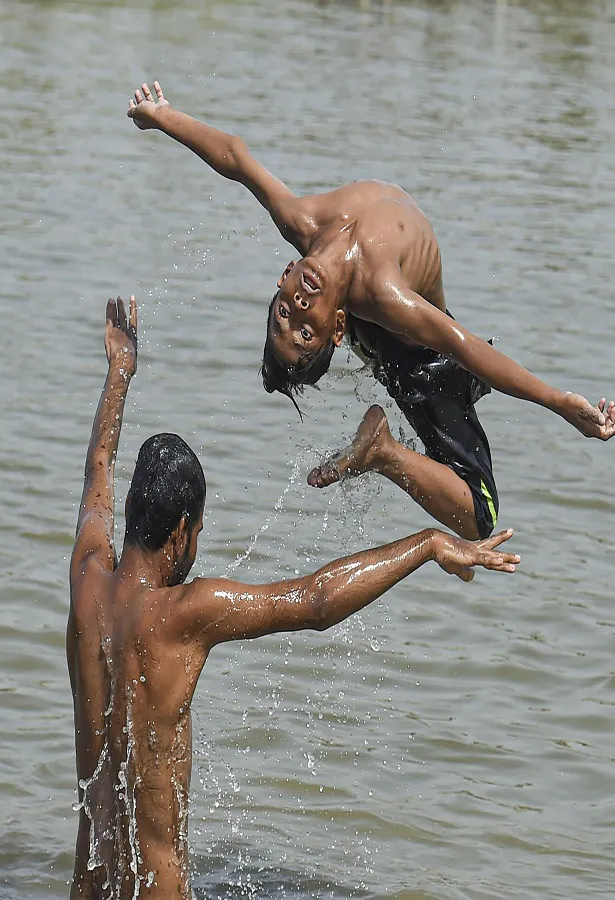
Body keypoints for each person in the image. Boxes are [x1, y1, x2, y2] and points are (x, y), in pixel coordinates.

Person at [67, 296, 520, 899]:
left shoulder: (87, 579)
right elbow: (314, 601)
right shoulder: (181, 615)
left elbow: (98, 470)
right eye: (198, 532)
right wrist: (428, 545)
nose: (197, 543)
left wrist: (119, 374)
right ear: (180, 532)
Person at [127, 82, 615, 542]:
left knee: (466, 390)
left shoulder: (303, 224)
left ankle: (386, 434)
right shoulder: (383, 293)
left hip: (393, 337)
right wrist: (559, 403)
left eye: (285, 314)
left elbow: (235, 156)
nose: (299, 309)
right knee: (480, 518)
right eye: (306, 331)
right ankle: (384, 451)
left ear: (284, 275)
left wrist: (163, 117)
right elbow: (461, 346)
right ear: (336, 326)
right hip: (425, 369)